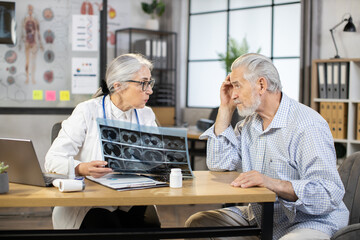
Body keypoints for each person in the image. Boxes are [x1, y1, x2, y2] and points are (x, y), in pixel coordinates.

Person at [185, 53, 349, 240]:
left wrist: (272, 183)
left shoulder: (307, 125)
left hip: (310, 221)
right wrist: (225, 108)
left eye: (237, 85)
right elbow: (219, 163)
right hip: (262, 218)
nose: (234, 94)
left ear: (261, 85)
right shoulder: (248, 125)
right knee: (198, 224)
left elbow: (328, 193)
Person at [45, 53, 160, 229]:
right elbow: (52, 161)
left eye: (150, 83)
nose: (150, 90)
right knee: (106, 222)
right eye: (143, 83)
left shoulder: (146, 114)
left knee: (148, 227)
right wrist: (81, 168)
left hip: (130, 198)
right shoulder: (87, 111)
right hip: (89, 204)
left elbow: (158, 160)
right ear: (118, 86)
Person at [21, 4, 43, 84]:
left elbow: (38, 32)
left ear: (32, 10)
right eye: (29, 9)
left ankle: (33, 78)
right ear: (27, 10)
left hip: (34, 42)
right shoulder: (25, 20)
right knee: (27, 61)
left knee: (33, 61)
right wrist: (20, 43)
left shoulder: (35, 20)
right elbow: (22, 32)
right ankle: (27, 78)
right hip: (27, 42)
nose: (30, 11)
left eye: (31, 9)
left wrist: (41, 44)